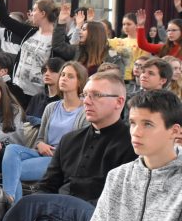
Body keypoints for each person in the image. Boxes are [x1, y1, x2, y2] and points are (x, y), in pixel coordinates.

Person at [16, 90, 182, 221]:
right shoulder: (118, 177)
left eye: (147, 124)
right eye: (132, 123)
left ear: (174, 131)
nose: (136, 132)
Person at [35, 71, 136, 205]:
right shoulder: (68, 140)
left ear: (118, 102)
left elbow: (119, 200)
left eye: (96, 95)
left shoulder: (133, 145)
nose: (86, 102)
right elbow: (46, 186)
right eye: (85, 95)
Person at [1, 61, 89, 203]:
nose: (64, 78)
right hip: (42, 153)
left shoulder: (85, 111)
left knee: (12, 171)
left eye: (70, 76)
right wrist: (40, 144)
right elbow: (40, 138)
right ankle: (13, 204)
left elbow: (81, 147)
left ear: (80, 82)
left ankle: (10, 204)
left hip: (60, 161)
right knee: (11, 149)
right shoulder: (51, 107)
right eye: (63, 75)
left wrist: (57, 152)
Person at [0, 0, 56, 107]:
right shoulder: (30, 32)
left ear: (43, 13)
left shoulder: (57, 39)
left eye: (34, 10)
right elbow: (4, 19)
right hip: (17, 88)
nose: (32, 13)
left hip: (38, 95)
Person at [53, 5, 128, 75]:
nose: (80, 32)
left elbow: (117, 79)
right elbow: (58, 46)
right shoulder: (78, 50)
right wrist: (61, 23)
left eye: (84, 29)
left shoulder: (113, 56)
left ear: (94, 33)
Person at [108, 12, 150, 82]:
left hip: (132, 80)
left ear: (136, 25)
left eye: (129, 24)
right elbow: (101, 40)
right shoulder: (118, 41)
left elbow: (144, 64)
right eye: (124, 24)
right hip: (116, 78)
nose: (125, 27)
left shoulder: (142, 44)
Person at [25, 57, 65, 125]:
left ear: (62, 74)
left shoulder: (64, 101)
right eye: (45, 70)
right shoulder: (37, 98)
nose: (46, 73)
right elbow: (25, 120)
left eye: (52, 70)